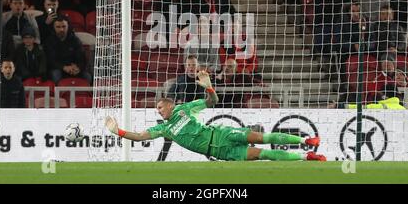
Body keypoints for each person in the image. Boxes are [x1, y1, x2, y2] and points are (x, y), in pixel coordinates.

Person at [105, 70, 326, 162]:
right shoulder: (163, 129)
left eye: (160, 108)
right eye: (157, 110)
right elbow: (139, 136)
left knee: (262, 137)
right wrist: (119, 131)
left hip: (222, 134)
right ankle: (308, 157)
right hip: (219, 151)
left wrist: (209, 88)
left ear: (171, 106)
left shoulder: (185, 108)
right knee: (264, 154)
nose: (158, 111)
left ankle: (305, 141)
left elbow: (213, 102)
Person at [44, 16, 91, 84]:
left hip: (73, 68)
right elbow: (50, 61)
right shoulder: (49, 41)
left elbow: (82, 58)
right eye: (58, 27)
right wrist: (64, 67)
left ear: (68, 26)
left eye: (64, 26)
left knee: (87, 76)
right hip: (58, 68)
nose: (61, 29)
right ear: (54, 28)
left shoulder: (75, 40)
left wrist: (78, 68)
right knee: (55, 74)